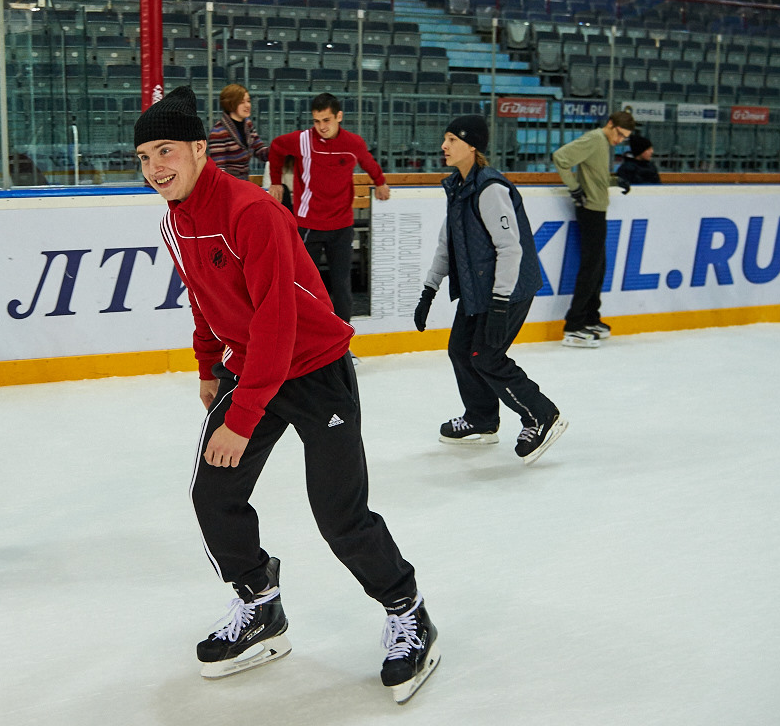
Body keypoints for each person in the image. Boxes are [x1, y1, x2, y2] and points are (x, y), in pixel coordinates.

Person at [134, 87, 439, 704]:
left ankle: (408, 609)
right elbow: (203, 296)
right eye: (143, 157)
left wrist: (241, 418)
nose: (154, 168)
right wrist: (209, 366)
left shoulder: (252, 212)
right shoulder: (174, 219)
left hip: (314, 368)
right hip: (250, 369)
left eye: (165, 151)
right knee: (214, 493)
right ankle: (260, 604)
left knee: (338, 513)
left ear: (199, 149)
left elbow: (278, 319)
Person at [413, 115, 567, 465]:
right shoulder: (457, 186)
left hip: (508, 289)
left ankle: (541, 414)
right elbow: (446, 245)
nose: (444, 146)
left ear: (472, 146)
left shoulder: (490, 188)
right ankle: (482, 418)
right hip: (477, 290)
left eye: (451, 139)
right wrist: (429, 291)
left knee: (486, 356)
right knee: (460, 350)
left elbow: (511, 249)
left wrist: (499, 304)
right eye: (445, 139)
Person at [267, 92, 390, 326]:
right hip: (308, 224)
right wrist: (275, 181)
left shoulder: (353, 143)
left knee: (341, 285)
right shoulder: (303, 139)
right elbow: (276, 148)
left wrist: (380, 182)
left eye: (326, 120)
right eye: (316, 121)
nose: (321, 127)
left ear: (339, 116)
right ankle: (305, 338)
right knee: (303, 285)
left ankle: (343, 342)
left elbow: (368, 162)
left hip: (341, 226)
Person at [552, 111, 635, 348]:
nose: (619, 140)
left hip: (597, 209)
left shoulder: (603, 143)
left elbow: (595, 176)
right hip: (590, 210)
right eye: (619, 134)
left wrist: (615, 180)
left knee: (598, 267)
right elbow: (560, 157)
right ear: (610, 124)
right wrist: (574, 189)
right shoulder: (595, 139)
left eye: (624, 138)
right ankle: (574, 325)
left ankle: (590, 317)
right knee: (591, 267)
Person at [206, 84, 269, 181]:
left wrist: (279, 148)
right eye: (241, 102)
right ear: (230, 104)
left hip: (243, 184)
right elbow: (219, 170)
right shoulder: (218, 132)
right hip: (228, 186)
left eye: (248, 101)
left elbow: (261, 152)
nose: (247, 105)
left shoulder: (248, 125)